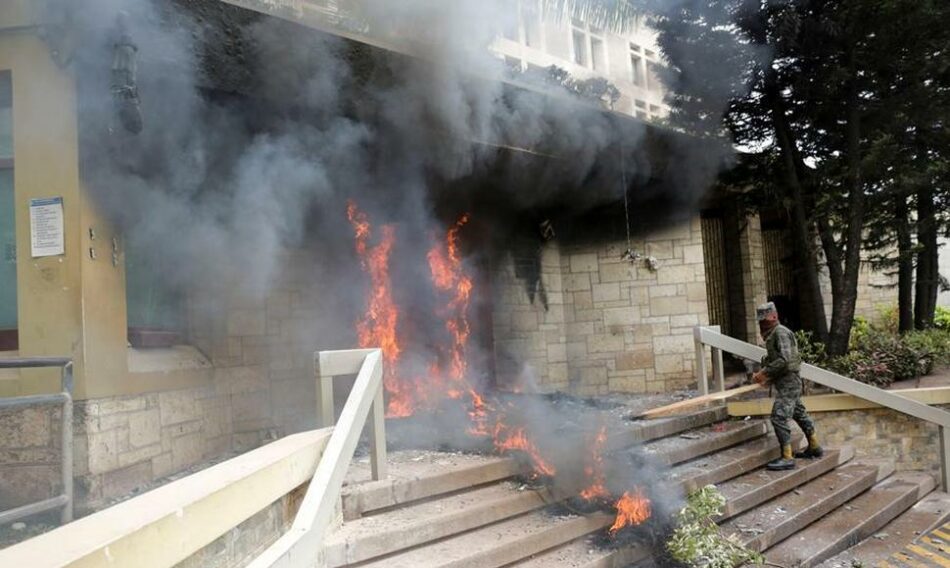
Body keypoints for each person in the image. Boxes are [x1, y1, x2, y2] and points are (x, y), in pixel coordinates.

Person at [751, 302, 823, 471]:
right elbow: (776, 360)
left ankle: (787, 457)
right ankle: (814, 447)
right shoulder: (774, 334)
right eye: (760, 321)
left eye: (765, 320)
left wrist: (765, 373)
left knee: (778, 417)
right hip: (786, 382)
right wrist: (765, 374)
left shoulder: (780, 332)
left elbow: (784, 360)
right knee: (799, 413)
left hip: (789, 382)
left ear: (774, 316)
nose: (762, 324)